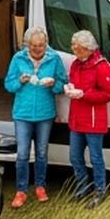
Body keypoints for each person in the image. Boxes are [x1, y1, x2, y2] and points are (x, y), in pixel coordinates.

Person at [4, 26, 68, 208]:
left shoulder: (54, 58)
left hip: (45, 113)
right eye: (33, 46)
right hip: (22, 113)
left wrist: (54, 84)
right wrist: (19, 81)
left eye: (41, 45)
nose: (37, 49)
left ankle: (40, 186)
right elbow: (8, 84)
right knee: (22, 154)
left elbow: (63, 83)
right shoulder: (18, 58)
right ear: (27, 44)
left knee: (41, 152)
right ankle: (21, 190)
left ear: (46, 43)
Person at [64, 29, 110, 208]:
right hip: (77, 118)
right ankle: (83, 187)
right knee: (74, 157)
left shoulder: (101, 66)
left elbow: (109, 93)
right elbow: (73, 81)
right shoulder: (76, 64)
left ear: (88, 49)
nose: (75, 53)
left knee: (95, 158)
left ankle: (100, 190)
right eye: (74, 49)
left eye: (78, 50)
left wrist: (84, 94)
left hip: (93, 121)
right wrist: (69, 87)